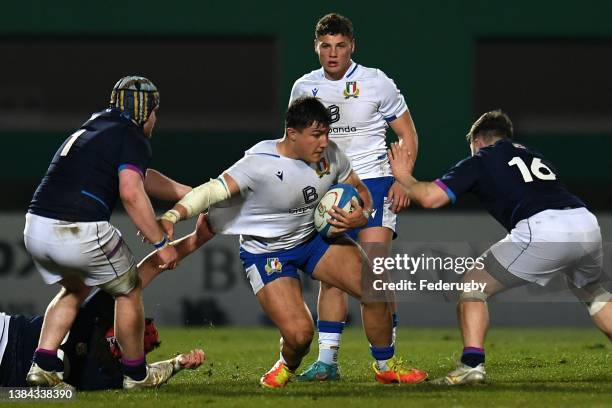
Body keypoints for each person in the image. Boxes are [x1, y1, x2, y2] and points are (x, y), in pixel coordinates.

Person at [157, 96, 428, 388]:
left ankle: (386, 365)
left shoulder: (331, 154)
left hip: (313, 241)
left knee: (375, 287)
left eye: (326, 133)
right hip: (267, 253)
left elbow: (361, 191)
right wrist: (172, 215)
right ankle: (287, 364)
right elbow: (210, 192)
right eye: (316, 135)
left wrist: (361, 216)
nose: (324, 141)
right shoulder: (259, 163)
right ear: (292, 133)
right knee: (300, 336)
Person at [388, 110, 612, 385]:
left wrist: (404, 177)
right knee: (593, 293)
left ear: (479, 141)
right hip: (585, 222)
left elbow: (431, 198)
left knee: (473, 285)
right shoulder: (533, 154)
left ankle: (472, 365)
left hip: (543, 228)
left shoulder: (482, 158)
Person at [23, 76, 184, 390]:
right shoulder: (132, 135)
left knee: (75, 289)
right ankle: (137, 375)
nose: (156, 118)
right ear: (145, 111)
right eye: (155, 110)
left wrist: (187, 193)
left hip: (35, 227)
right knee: (128, 288)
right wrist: (161, 242)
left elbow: (140, 176)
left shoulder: (97, 125)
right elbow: (131, 193)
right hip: (78, 228)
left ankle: (42, 364)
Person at [287, 12, 419, 380]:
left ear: (352, 46)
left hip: (374, 183)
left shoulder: (377, 82)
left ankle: (387, 360)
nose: (333, 54)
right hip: (329, 186)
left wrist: (403, 180)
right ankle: (327, 362)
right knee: (334, 275)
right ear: (316, 48)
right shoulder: (304, 87)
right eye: (326, 47)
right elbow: (295, 143)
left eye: (340, 46)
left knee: (374, 270)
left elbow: (408, 135)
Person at [0, 290, 205, 389]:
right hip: (7, 332)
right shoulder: (90, 318)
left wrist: (178, 363)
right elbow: (138, 275)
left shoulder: (108, 375)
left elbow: (143, 378)